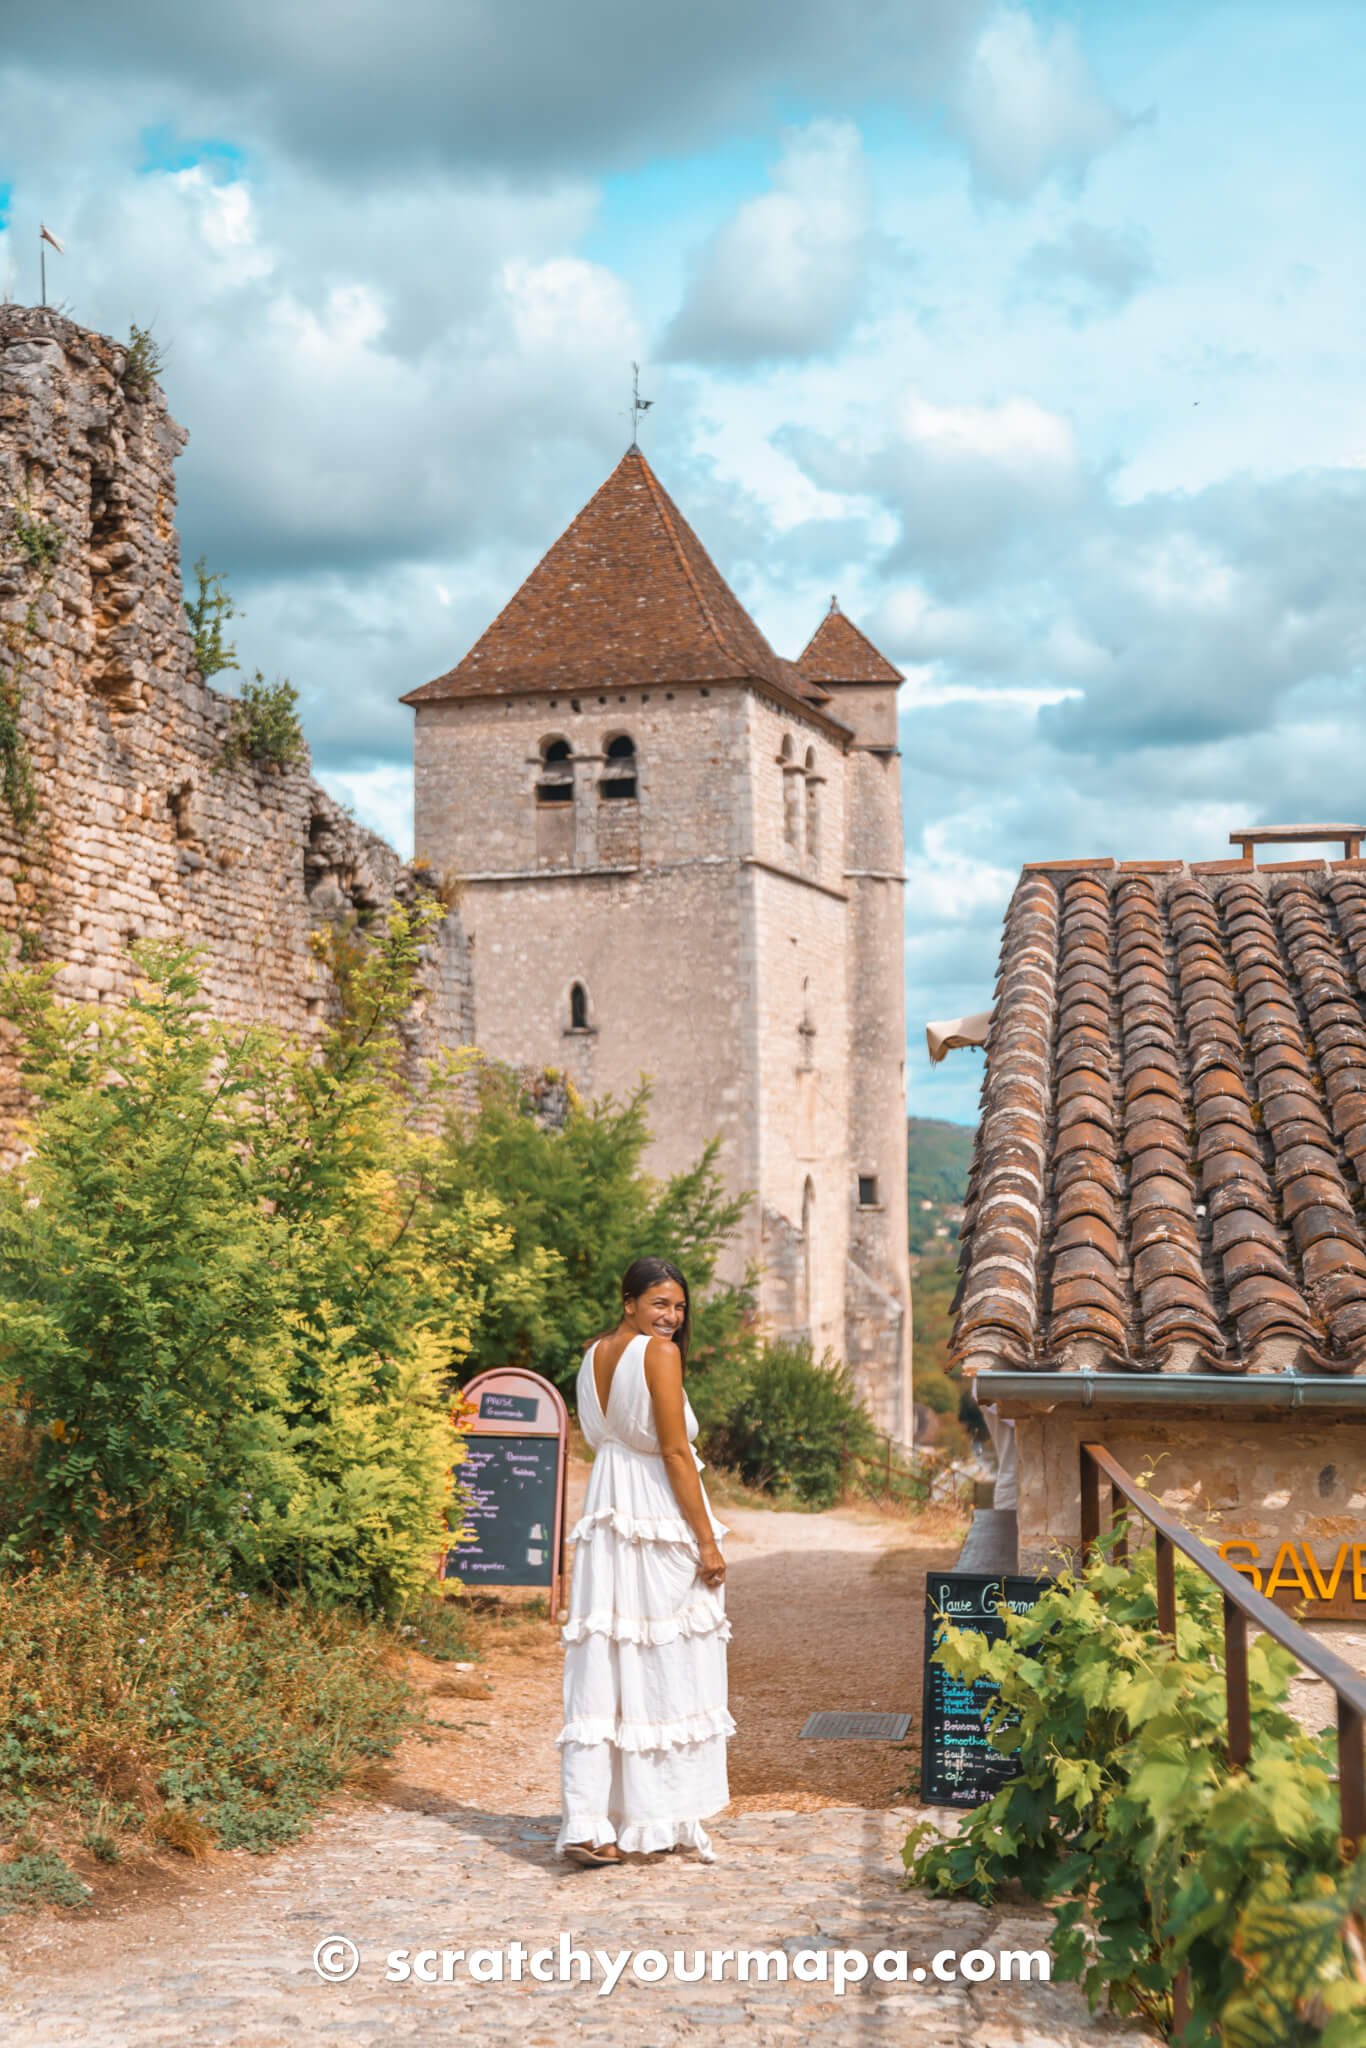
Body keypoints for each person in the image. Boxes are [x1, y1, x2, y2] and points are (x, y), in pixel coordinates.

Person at [556, 1255, 733, 1868]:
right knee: (666, 1660)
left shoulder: (592, 1354)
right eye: (660, 1303)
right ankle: (650, 1816)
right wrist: (706, 1540)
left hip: (608, 1508)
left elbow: (598, 1437)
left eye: (679, 1307)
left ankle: (592, 1818)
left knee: (608, 1660)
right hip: (652, 1513)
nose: (672, 1317)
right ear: (628, 1301)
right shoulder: (659, 1355)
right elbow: (675, 1453)